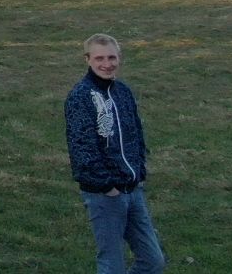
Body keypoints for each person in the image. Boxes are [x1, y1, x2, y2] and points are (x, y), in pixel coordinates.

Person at [64, 33, 165, 274]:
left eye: (112, 57)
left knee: (153, 261)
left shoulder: (123, 92)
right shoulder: (80, 96)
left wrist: (139, 171)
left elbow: (136, 134)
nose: (106, 64)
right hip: (105, 195)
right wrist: (107, 186)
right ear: (87, 59)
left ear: (119, 58)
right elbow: (82, 148)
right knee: (112, 265)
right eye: (99, 58)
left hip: (133, 190)